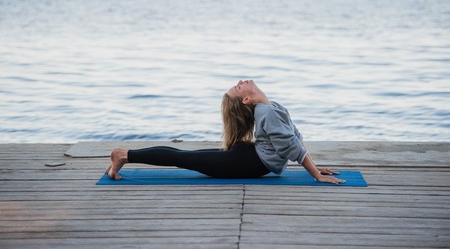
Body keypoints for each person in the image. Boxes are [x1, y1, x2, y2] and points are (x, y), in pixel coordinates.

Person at [106, 80, 345, 184]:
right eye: (238, 87)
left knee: (184, 156)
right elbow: (293, 147)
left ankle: (126, 155)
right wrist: (316, 175)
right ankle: (123, 155)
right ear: (247, 99)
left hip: (248, 159)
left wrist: (315, 165)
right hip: (246, 162)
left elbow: (295, 140)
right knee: (183, 158)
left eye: (238, 84)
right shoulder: (267, 112)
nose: (241, 81)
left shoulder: (271, 108)